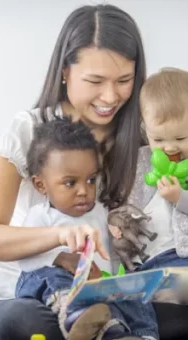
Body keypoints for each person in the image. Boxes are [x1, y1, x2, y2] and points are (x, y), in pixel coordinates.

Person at [0, 3, 147, 340]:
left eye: (124, 80)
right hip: (16, 294)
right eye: (95, 80)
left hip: (100, 296)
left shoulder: (141, 142)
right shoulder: (29, 129)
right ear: (65, 71)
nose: (110, 96)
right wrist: (59, 237)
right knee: (35, 322)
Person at [15, 118, 158, 340]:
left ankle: (138, 335)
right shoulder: (41, 216)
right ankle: (76, 315)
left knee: (133, 288)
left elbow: (110, 258)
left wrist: (117, 253)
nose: (84, 190)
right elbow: (24, 259)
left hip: (96, 287)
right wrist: (61, 258)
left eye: (91, 180)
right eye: (70, 183)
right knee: (46, 275)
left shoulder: (100, 212)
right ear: (41, 185)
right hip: (59, 289)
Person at [110, 68, 188, 298]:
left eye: (181, 138)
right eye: (159, 139)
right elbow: (125, 202)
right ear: (146, 130)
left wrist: (179, 198)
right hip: (148, 261)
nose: (170, 147)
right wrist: (117, 224)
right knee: (140, 295)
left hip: (182, 255)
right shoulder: (140, 161)